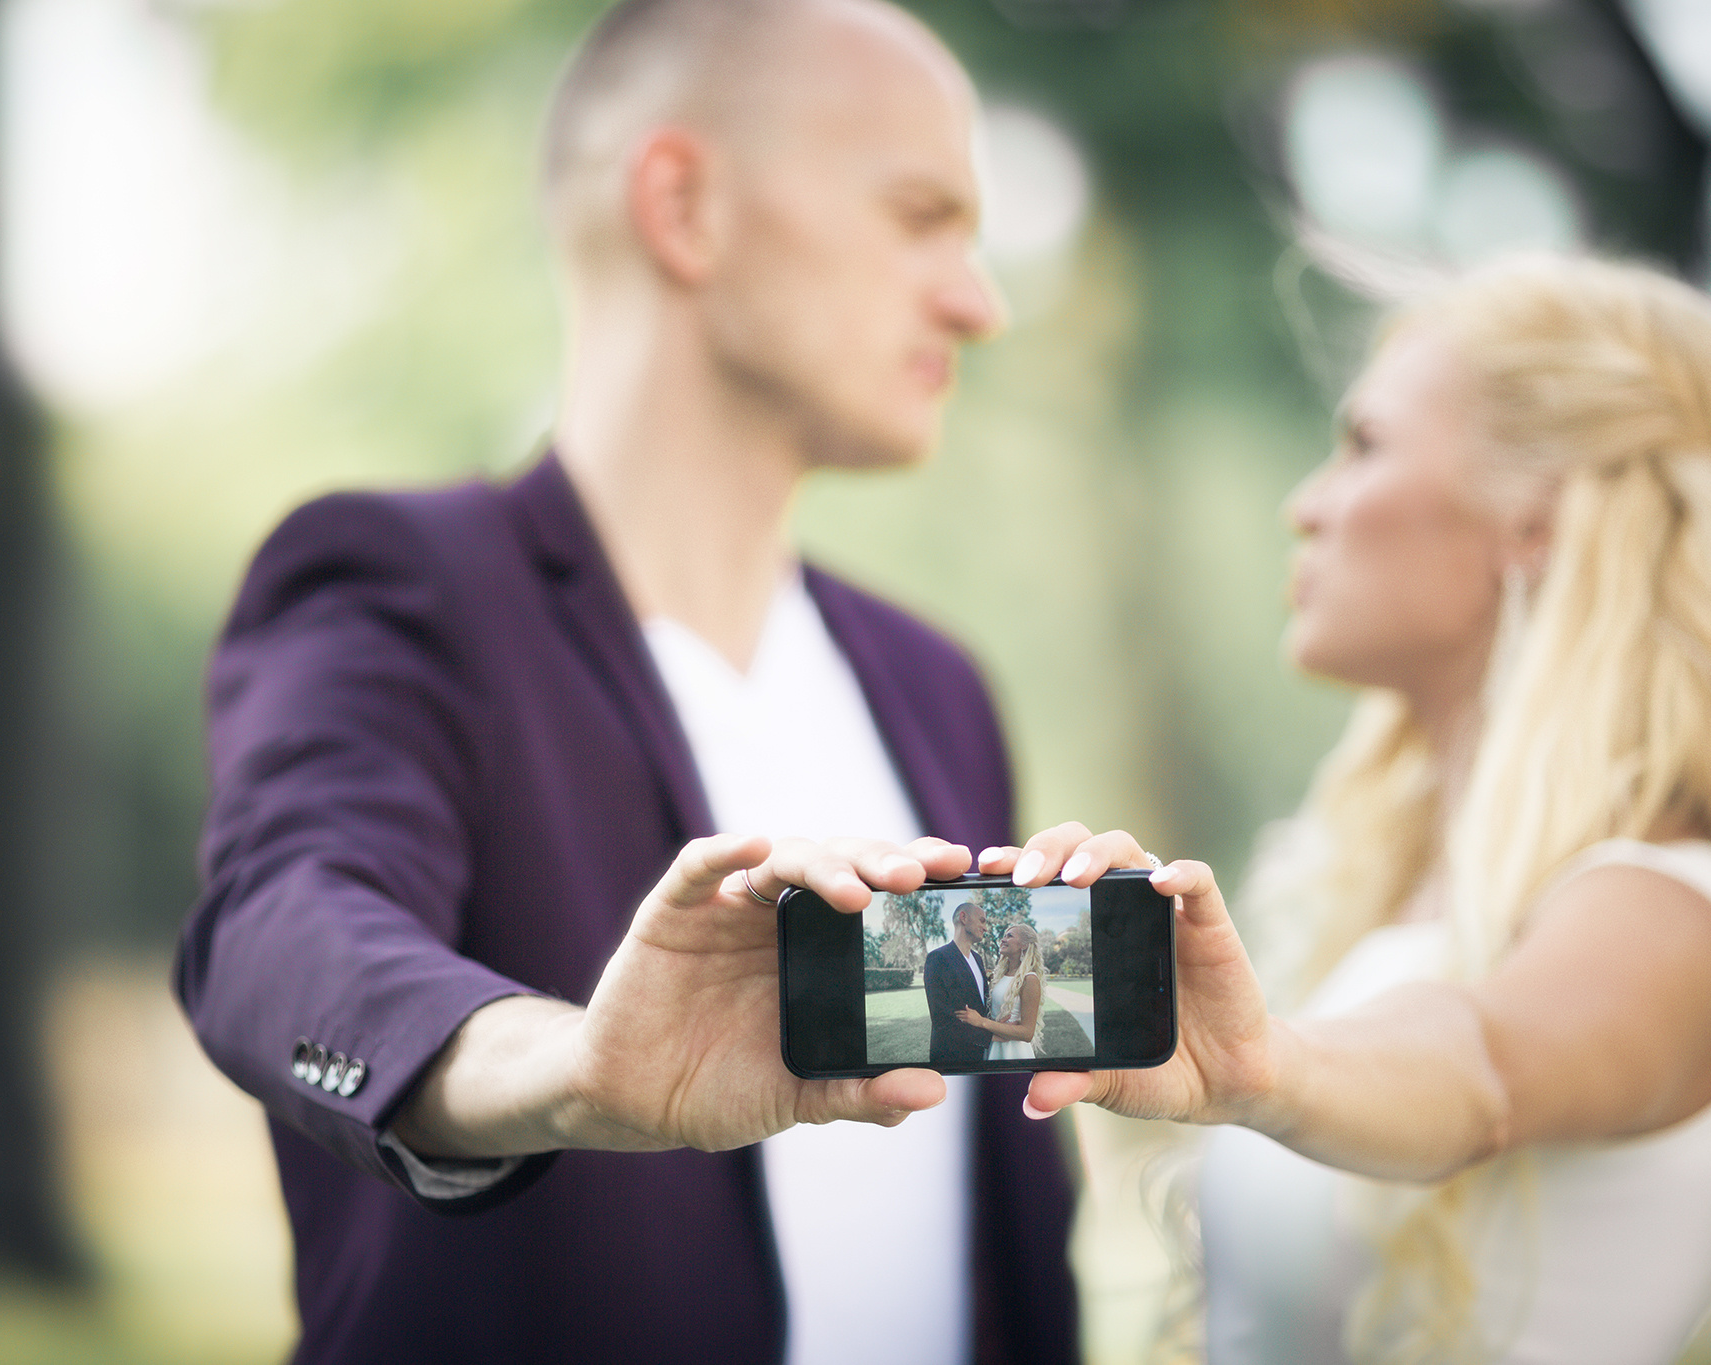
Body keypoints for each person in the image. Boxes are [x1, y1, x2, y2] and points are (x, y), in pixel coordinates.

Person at [173, 1, 1079, 1362]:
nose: (978, 300)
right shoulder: (403, 587)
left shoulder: (940, 687)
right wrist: (572, 1069)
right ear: (684, 205)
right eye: (919, 214)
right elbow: (280, 922)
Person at [984, 256, 1711, 1362]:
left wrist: (1260, 1066)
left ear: (1532, 520)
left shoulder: (1663, 911)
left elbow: (1475, 1066)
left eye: (1364, 446)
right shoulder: (1408, 892)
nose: (1307, 506)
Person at [960, 923, 1045, 1061]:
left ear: (1023, 945)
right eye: (1004, 936)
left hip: (1014, 1051)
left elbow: (1027, 1033)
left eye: (1009, 936)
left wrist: (982, 1022)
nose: (1003, 939)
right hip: (994, 1044)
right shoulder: (1001, 975)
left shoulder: (1029, 979)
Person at [924, 901, 991, 1065]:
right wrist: (993, 1037)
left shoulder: (978, 959)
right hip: (951, 1056)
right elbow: (941, 1020)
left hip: (981, 1055)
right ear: (963, 917)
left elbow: (981, 1002)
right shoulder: (938, 958)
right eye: (982, 920)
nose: (986, 928)